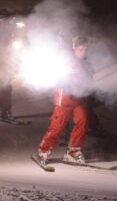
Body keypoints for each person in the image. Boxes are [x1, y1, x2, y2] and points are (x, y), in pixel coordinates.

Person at [37, 35, 94, 165]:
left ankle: (73, 151)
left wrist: (90, 87)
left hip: (80, 98)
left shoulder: (87, 61)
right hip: (65, 98)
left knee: (83, 122)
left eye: (84, 49)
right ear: (74, 49)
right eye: (80, 49)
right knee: (58, 126)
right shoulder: (66, 57)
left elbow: (89, 76)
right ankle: (43, 151)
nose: (82, 52)